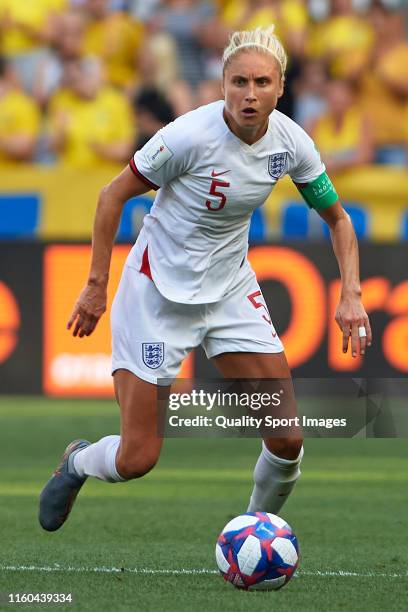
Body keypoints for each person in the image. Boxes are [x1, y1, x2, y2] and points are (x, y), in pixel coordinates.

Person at [39, 26, 372, 532]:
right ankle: (79, 460)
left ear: (281, 88)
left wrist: (351, 294)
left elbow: (340, 221)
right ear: (222, 84)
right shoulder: (187, 136)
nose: (250, 94)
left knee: (287, 439)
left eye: (262, 82)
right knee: (137, 458)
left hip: (230, 293)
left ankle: (252, 532)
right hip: (156, 296)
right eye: (239, 82)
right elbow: (111, 196)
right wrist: (95, 284)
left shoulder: (292, 144)